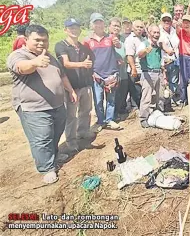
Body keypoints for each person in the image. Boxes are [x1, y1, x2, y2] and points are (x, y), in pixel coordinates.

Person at [7, 25, 78, 184]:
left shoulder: (50, 56)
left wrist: (71, 90)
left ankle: (53, 155)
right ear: (26, 40)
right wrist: (35, 62)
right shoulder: (18, 55)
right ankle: (47, 168)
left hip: (57, 105)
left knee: (55, 133)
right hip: (34, 108)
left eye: (44, 40)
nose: (41, 43)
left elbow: (62, 75)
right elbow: (22, 68)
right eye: (37, 40)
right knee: (42, 138)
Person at [55, 18, 95, 152]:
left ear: (80, 30)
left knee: (86, 110)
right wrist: (82, 64)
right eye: (71, 28)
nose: (74, 30)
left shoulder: (83, 47)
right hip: (70, 87)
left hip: (85, 84)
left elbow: (91, 62)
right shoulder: (61, 45)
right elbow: (65, 63)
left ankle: (83, 132)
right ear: (65, 30)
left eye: (76, 27)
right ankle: (71, 141)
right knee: (71, 115)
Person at [83, 13, 122, 132]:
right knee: (98, 100)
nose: (98, 25)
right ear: (92, 25)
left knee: (111, 99)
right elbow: (85, 57)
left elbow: (119, 46)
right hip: (96, 75)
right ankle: (100, 121)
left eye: (100, 22)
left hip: (111, 74)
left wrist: (117, 44)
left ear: (104, 24)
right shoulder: (87, 41)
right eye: (96, 22)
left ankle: (109, 119)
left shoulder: (110, 38)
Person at [137, 24, 172, 128]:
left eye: (158, 32)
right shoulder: (144, 44)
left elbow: (162, 59)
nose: (156, 34)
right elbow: (139, 55)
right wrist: (145, 51)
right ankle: (143, 118)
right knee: (146, 97)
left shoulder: (158, 46)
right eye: (154, 32)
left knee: (160, 96)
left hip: (158, 72)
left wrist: (164, 73)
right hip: (147, 73)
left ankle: (159, 114)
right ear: (149, 33)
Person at [108, 17, 129, 121]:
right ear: (109, 27)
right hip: (112, 71)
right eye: (114, 26)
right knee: (113, 94)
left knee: (122, 92)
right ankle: (111, 116)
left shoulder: (123, 38)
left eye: (118, 26)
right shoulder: (106, 38)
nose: (116, 28)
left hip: (123, 69)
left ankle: (119, 111)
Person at [176, 15, 190, 105]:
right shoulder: (180, 32)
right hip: (183, 57)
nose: (186, 25)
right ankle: (183, 99)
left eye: (188, 22)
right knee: (183, 78)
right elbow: (177, 27)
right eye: (184, 22)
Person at [159, 13, 180, 106]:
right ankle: (164, 102)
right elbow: (160, 43)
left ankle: (172, 99)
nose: (166, 22)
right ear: (161, 22)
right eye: (164, 20)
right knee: (164, 82)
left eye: (168, 20)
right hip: (164, 61)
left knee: (174, 81)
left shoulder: (174, 31)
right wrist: (166, 49)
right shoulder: (159, 32)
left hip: (174, 60)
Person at [124, 20, 144, 115]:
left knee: (139, 90)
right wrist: (133, 68)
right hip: (134, 69)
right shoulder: (130, 39)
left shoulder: (143, 39)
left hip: (142, 69)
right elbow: (129, 56)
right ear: (133, 27)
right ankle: (134, 110)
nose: (139, 29)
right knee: (135, 91)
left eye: (141, 27)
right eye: (137, 27)